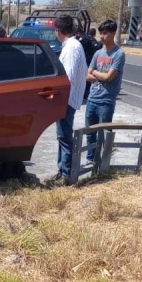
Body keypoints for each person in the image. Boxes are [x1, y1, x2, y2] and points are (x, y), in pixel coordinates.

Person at [51, 14, 88, 184]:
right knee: (62, 136)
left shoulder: (72, 47)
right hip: (67, 98)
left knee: (65, 137)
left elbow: (69, 76)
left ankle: (66, 174)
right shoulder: (71, 45)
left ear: (58, 30)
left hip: (67, 99)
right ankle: (62, 170)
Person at [85, 20, 126, 164]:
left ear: (113, 33)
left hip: (106, 101)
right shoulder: (98, 53)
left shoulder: (118, 54)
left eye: (105, 33)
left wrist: (95, 73)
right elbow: (87, 76)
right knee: (90, 133)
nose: (101, 36)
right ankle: (90, 160)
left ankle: (102, 162)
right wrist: (97, 75)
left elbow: (109, 77)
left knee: (104, 134)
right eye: (100, 33)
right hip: (92, 99)